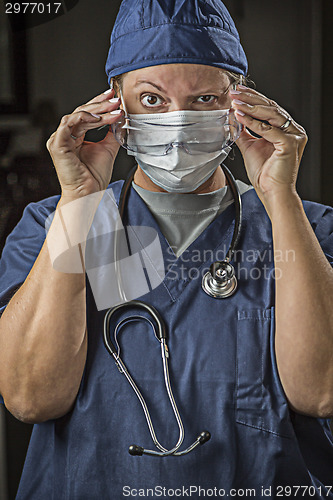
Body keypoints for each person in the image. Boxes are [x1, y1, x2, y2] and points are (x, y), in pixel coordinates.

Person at [0, 0, 333, 498]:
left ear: (237, 103)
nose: (178, 122)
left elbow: (323, 390)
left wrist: (279, 196)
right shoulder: (52, 224)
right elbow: (30, 398)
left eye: (203, 100)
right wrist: (80, 201)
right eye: (152, 100)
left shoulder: (309, 230)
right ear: (116, 105)